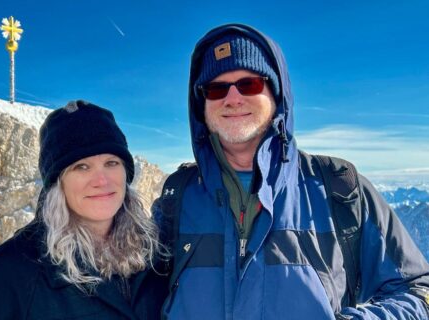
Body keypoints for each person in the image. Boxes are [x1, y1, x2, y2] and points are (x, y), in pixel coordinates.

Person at [153, 23, 429, 319]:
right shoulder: (177, 197)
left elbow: (416, 291)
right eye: (216, 89)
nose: (233, 99)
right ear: (201, 105)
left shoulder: (339, 187)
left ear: (276, 94)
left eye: (249, 84)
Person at [0, 100, 168, 319]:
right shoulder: (10, 273)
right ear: (57, 184)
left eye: (111, 163)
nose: (101, 180)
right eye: (81, 167)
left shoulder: (156, 256)